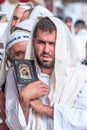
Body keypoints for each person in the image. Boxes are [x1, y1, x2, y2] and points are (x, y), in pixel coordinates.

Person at [5, 16, 87, 130]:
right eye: (41, 42)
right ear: (33, 42)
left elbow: (83, 120)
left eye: (52, 43)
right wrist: (23, 99)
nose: (46, 50)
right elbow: (13, 125)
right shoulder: (16, 74)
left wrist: (44, 109)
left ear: (61, 44)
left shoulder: (81, 76)